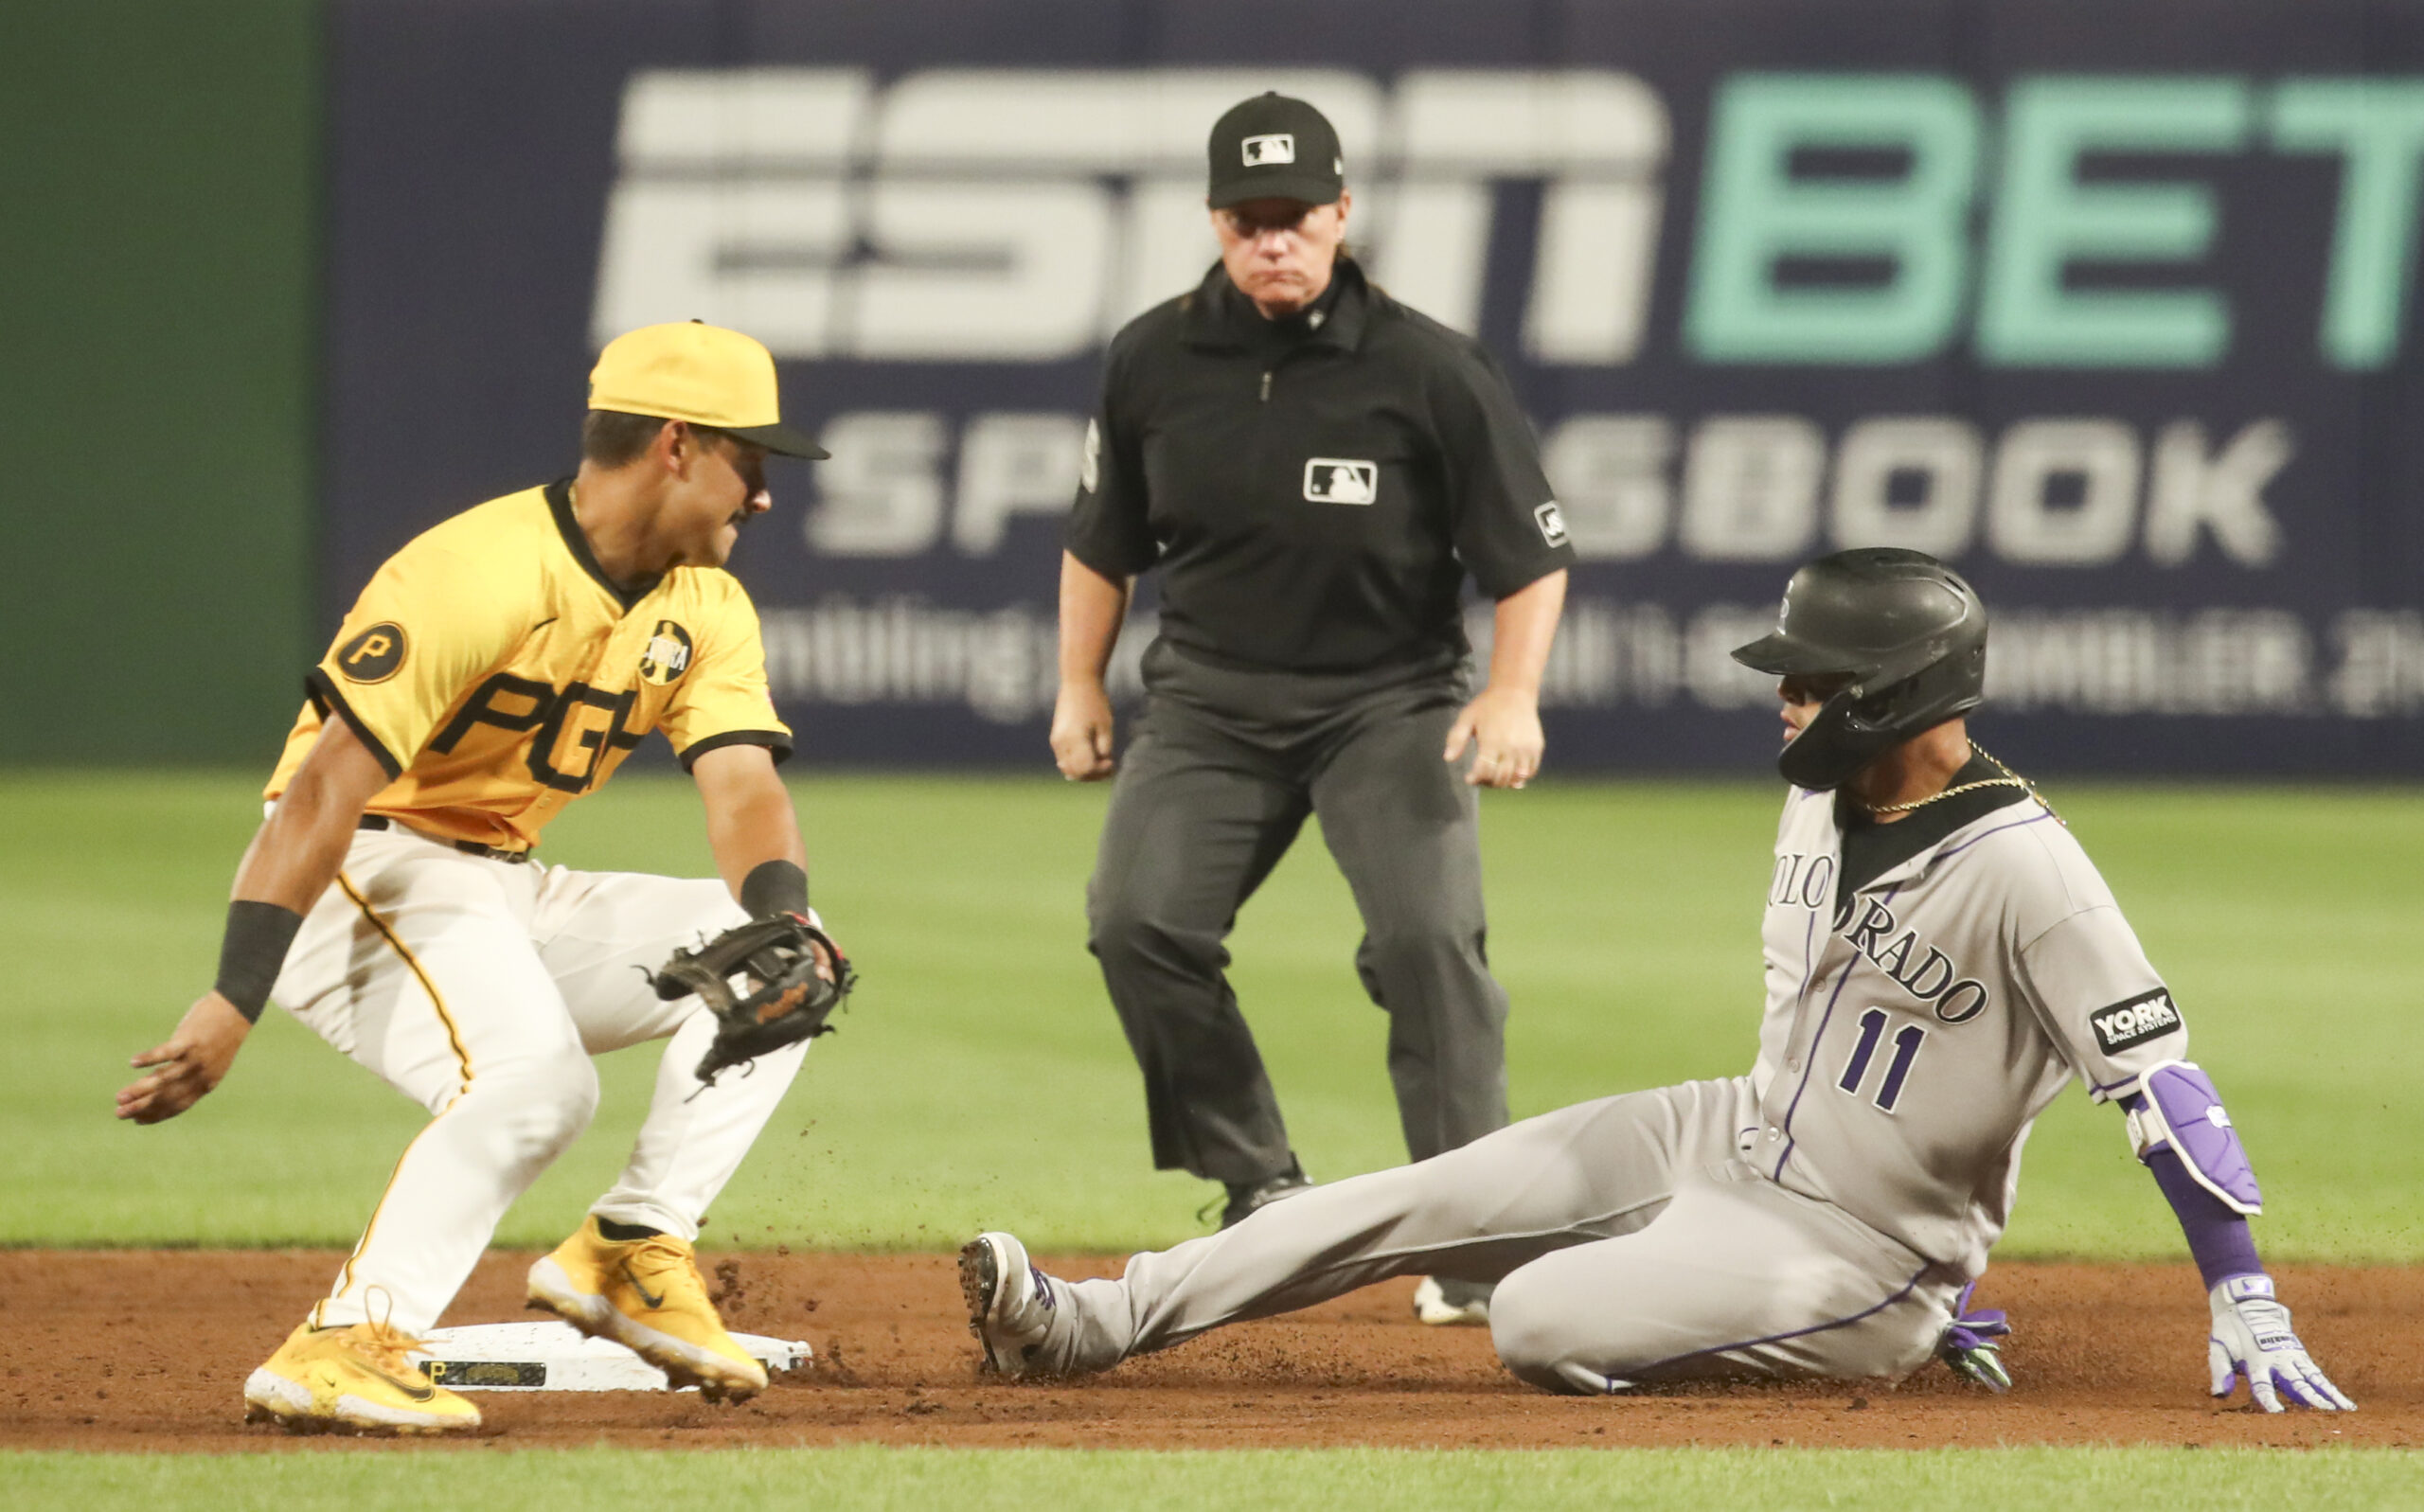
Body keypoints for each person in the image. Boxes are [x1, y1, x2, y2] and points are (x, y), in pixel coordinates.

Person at [963, 548, 2353, 1413]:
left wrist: (2243, 1286)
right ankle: (1090, 1323)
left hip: (1861, 1242)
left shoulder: (2034, 875)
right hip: (1724, 1134)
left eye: (1810, 679)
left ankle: (1890, 1331)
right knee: (1419, 1197)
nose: (1784, 698)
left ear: (1901, 691)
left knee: (1537, 1317)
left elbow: (2158, 1077)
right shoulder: (1824, 799)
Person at [116, 322, 841, 1434]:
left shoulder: (705, 603)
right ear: (678, 445)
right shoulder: (476, 569)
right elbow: (321, 792)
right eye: (754, 461)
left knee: (779, 956)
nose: (764, 496)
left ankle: (632, 1248)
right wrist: (233, 993)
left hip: (500, 885)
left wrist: (782, 913)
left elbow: (741, 785)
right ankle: (346, 1340)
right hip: (361, 871)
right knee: (539, 1084)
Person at [1052, 92, 1572, 1325]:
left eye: (1296, 217)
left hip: (1386, 702)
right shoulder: (1152, 357)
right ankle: (1260, 1181)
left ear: (1343, 213)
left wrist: (1511, 690)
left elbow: (1534, 554)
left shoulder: (1429, 367)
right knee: (1137, 923)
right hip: (1211, 703)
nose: (1273, 242)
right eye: (1249, 219)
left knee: (1426, 945)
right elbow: (1102, 542)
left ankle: (1474, 1238)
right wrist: (1079, 679)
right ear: (1216, 222)